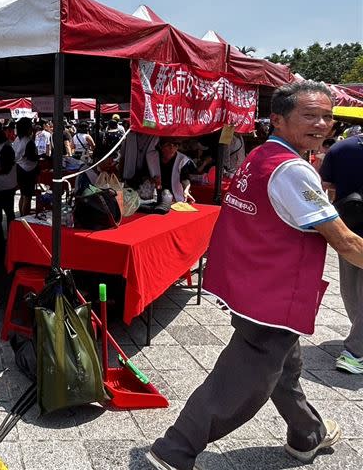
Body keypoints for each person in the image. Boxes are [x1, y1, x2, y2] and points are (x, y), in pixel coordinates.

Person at [147, 80, 363, 470]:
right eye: (309, 115)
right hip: (274, 293)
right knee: (243, 381)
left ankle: (307, 434)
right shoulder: (294, 169)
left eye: (328, 116)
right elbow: (344, 242)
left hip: (251, 283)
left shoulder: (264, 154)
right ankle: (175, 448)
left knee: (285, 369)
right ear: (278, 119)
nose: (322, 124)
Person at [320, 128, 363, 374]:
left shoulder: (340, 148)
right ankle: (356, 350)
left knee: (350, 285)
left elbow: (327, 187)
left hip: (348, 225)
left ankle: (357, 336)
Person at [145, 138, 197, 203]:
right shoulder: (151, 157)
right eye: (168, 144)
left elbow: (185, 178)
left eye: (175, 145)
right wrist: (153, 180)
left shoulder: (182, 160)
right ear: (161, 146)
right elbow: (144, 176)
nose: (172, 148)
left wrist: (186, 190)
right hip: (154, 197)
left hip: (175, 199)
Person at [12, 117, 39, 217]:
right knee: (27, 196)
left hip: (19, 168)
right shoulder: (28, 142)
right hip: (28, 171)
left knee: (23, 195)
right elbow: (32, 158)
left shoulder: (17, 139)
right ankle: (25, 217)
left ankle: (21, 216)